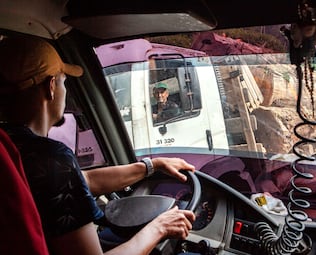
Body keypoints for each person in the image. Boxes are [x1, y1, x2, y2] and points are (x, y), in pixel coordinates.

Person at [0, 35, 196, 255]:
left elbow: (82, 181)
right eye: (65, 82)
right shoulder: (49, 157)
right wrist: (159, 228)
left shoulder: (10, 149)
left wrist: (152, 165)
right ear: (51, 86)